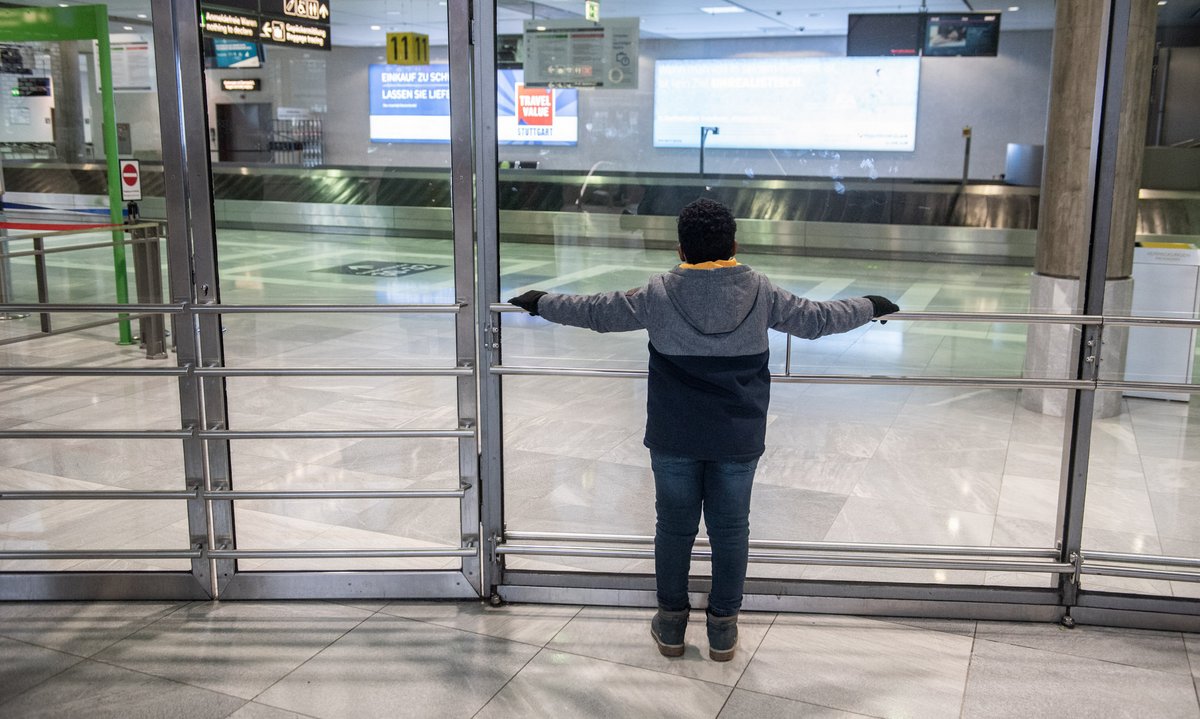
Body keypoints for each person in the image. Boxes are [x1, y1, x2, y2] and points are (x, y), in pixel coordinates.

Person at [508, 198, 898, 662]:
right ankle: (722, 630)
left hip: (674, 435)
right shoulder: (760, 291)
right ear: (734, 244)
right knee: (731, 531)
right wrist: (868, 304)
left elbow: (597, 311)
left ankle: (671, 625)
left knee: (674, 528)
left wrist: (542, 302)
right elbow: (817, 319)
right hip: (737, 439)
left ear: (680, 248)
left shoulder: (657, 293)